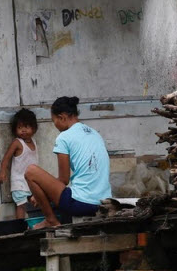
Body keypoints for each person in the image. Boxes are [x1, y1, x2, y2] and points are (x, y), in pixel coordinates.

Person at [25, 96, 112, 229]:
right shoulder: (94, 133)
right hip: (104, 202)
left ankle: (50, 220)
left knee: (31, 171)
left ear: (62, 117)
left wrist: (40, 195)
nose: (55, 126)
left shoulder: (64, 137)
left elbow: (63, 180)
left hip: (80, 203)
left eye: (54, 121)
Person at [0, 108, 39, 219]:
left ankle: (31, 225)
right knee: (21, 206)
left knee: (34, 204)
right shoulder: (17, 143)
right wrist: (3, 172)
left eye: (26, 127)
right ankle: (20, 227)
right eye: (20, 127)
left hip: (31, 182)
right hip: (19, 182)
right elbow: (6, 158)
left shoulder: (34, 142)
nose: (23, 130)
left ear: (34, 128)